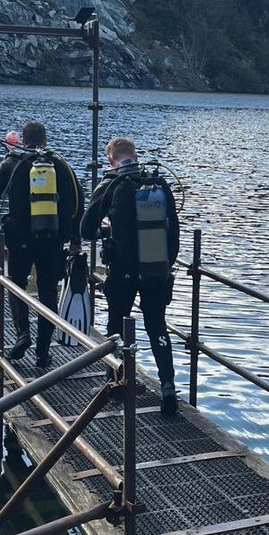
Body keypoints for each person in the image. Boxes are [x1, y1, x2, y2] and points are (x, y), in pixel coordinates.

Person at [80, 137, 180, 415]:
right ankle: (168, 385)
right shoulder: (159, 184)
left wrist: (107, 231)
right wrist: (165, 267)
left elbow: (85, 229)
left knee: (116, 326)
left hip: (122, 271)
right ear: (136, 156)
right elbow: (175, 234)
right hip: (155, 270)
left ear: (111, 160)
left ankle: (118, 382)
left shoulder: (111, 184)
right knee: (157, 325)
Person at [0, 121, 84, 368]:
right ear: (45, 140)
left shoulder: (12, 162)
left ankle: (22, 334)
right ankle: (42, 353)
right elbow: (78, 201)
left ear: (23, 141)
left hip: (18, 238)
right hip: (52, 239)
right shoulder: (60, 164)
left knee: (17, 284)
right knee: (48, 292)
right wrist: (76, 239)